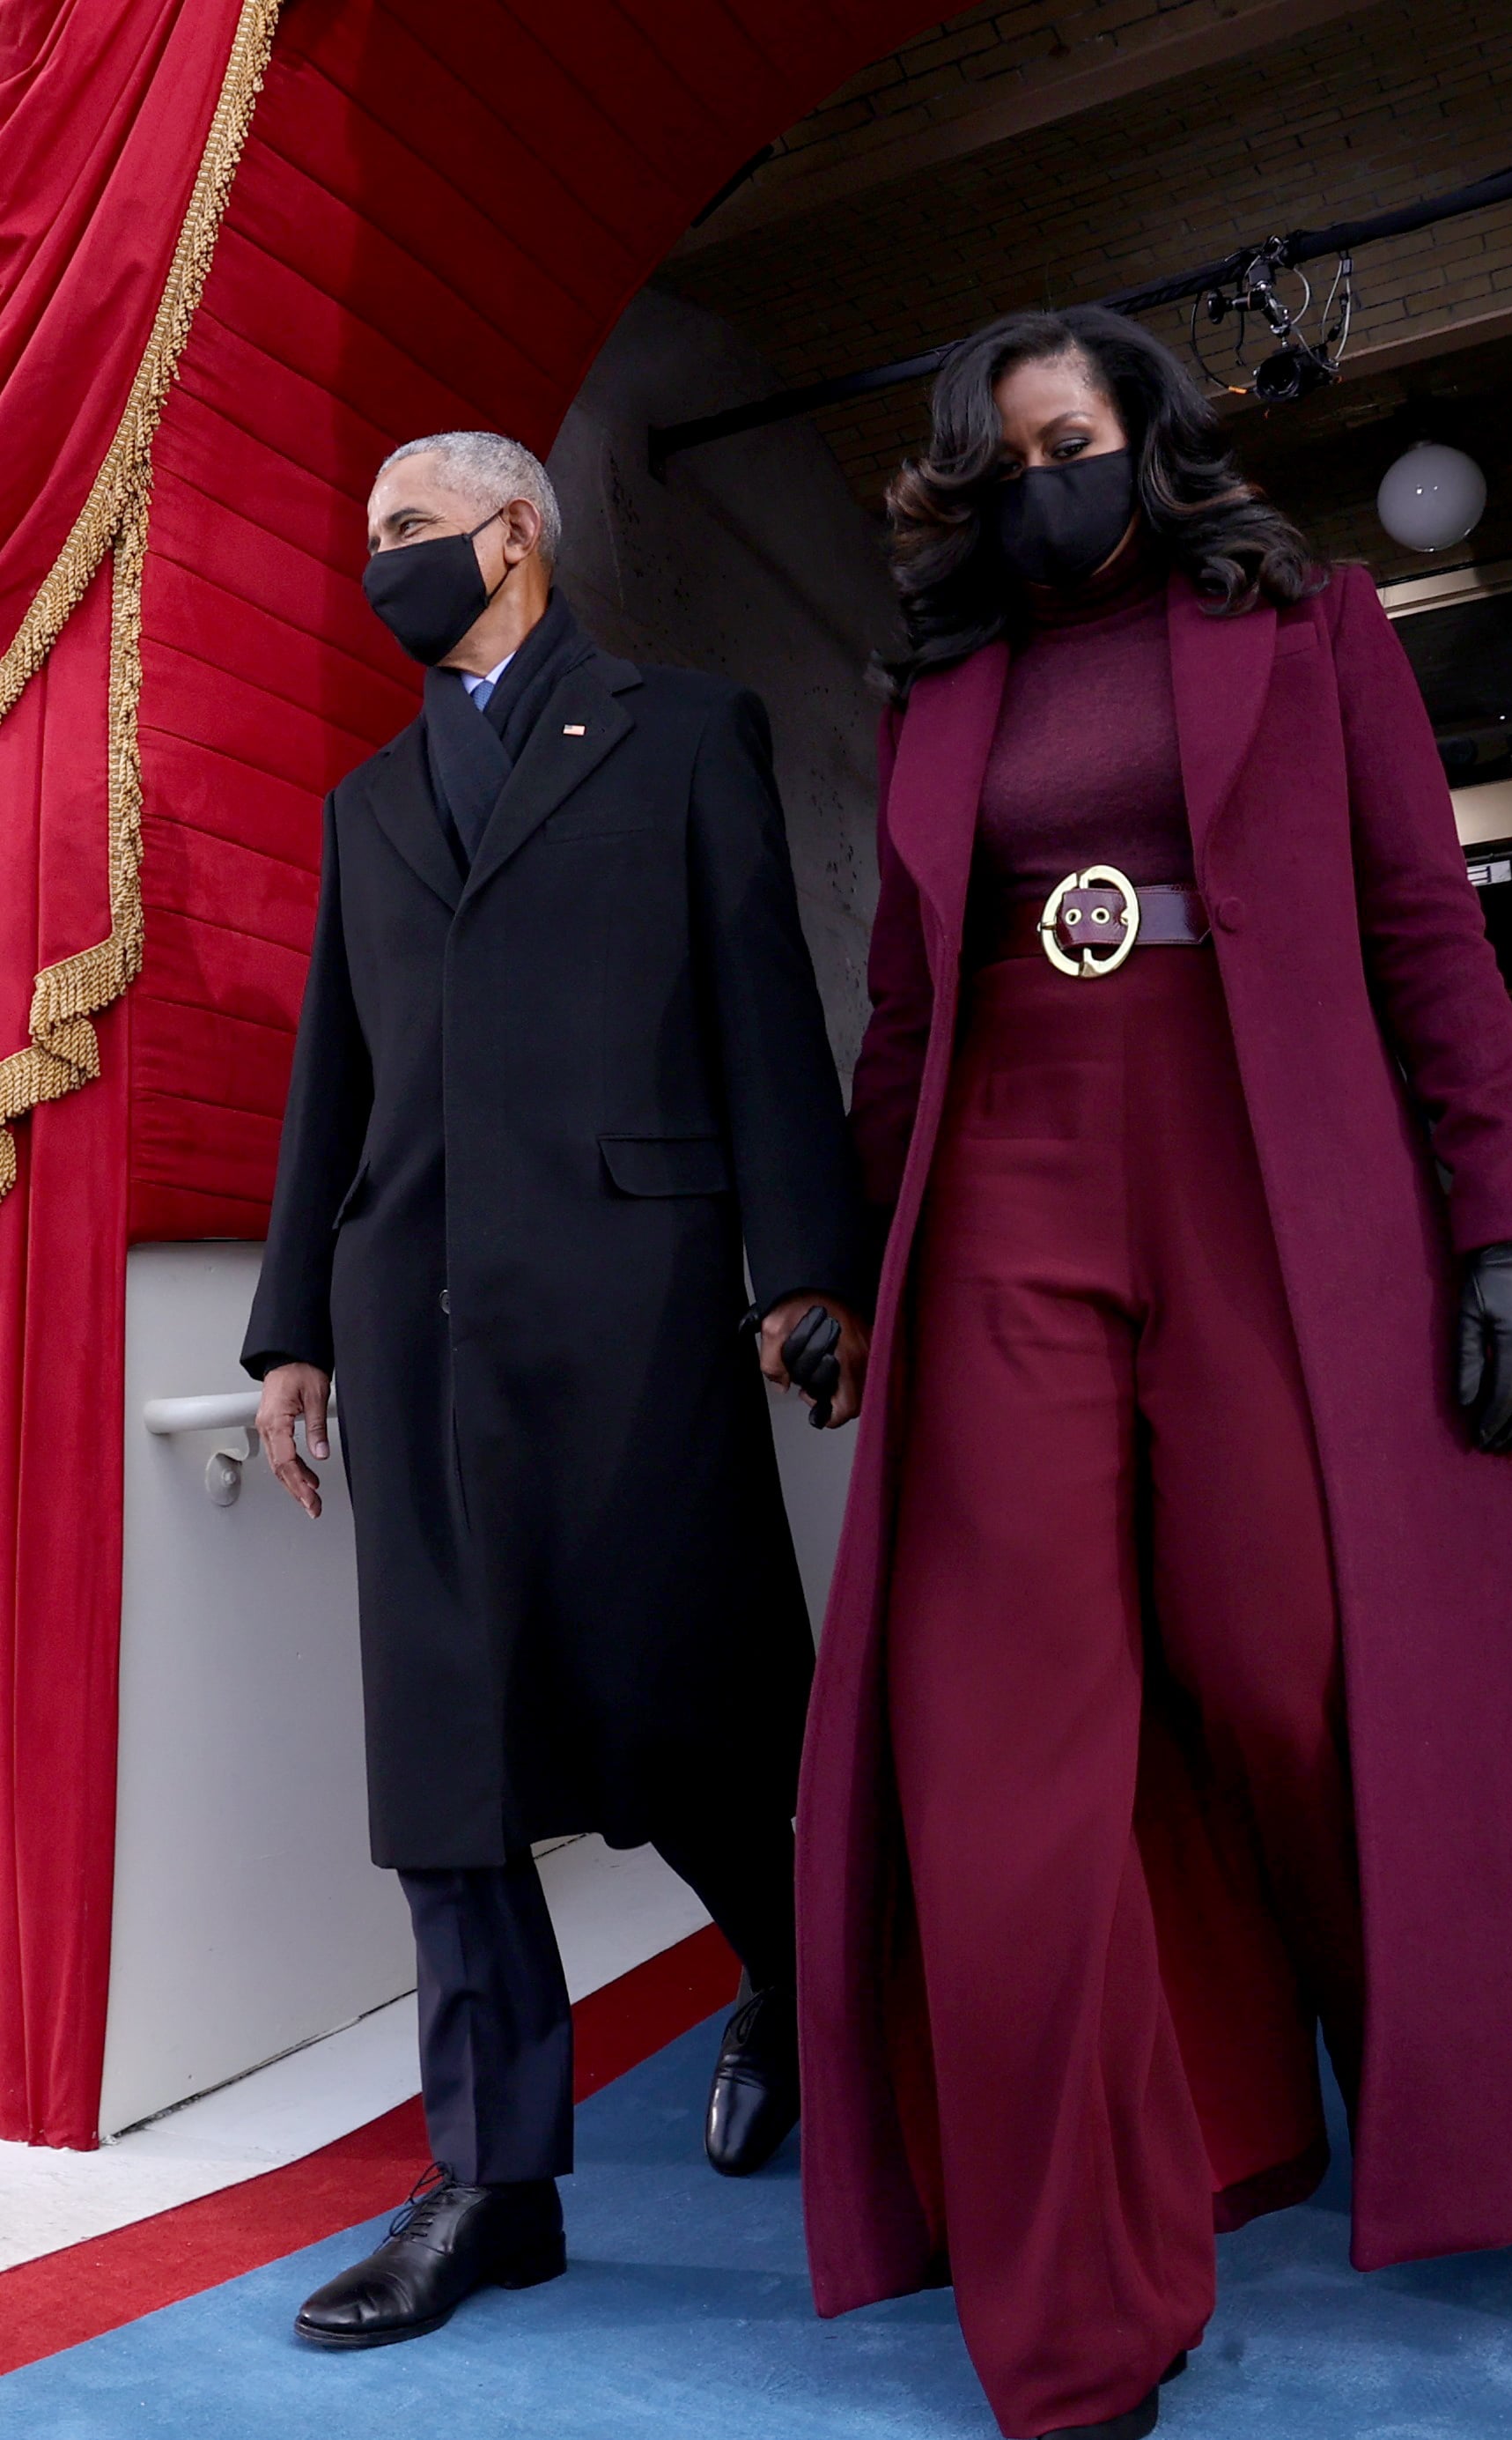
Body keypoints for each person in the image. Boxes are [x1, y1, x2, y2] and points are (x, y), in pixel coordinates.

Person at [793, 307, 1512, 2440]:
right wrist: (834, 1269)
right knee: (1001, 1743)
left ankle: (1383, 2086)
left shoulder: (1312, 623)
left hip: (1268, 1180)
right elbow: (900, 1015)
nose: (1033, 482)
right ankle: (1075, 2311)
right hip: (1000, 1195)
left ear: (1145, 440)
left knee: (1286, 1663)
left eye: (1065, 440)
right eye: (993, 463)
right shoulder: (937, 686)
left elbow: (1428, 930)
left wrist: (1510, 1226)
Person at [242, 429, 869, 2350]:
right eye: (370, 542)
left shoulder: (682, 732)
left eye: (410, 532)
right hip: (416, 1323)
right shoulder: (367, 802)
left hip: (634, 1316)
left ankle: (792, 1982)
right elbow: (327, 1084)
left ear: (515, 532)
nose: (383, 566)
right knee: (451, 1773)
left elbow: (764, 1001)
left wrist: (806, 1265)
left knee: (685, 1725)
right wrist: (291, 1331)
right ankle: (492, 2185)